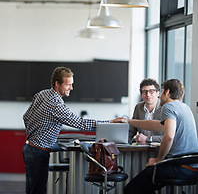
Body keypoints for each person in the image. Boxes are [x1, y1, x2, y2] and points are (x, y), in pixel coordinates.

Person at [22, 66, 125, 194]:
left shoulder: (42, 94)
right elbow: (81, 123)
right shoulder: (56, 104)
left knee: (32, 189)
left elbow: (26, 117)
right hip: (38, 152)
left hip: (30, 148)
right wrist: (110, 122)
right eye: (68, 84)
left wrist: (34, 134)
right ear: (57, 84)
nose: (71, 88)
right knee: (38, 190)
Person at [124, 79, 198, 194]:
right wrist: (130, 121)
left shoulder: (168, 107)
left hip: (179, 167)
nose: (159, 97)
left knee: (131, 189)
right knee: (145, 187)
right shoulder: (184, 107)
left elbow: (169, 136)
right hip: (192, 168)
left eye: (161, 92)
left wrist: (158, 159)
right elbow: (159, 125)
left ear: (167, 92)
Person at [129, 78, 163, 144]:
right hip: (142, 148)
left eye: (151, 91)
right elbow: (131, 131)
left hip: (159, 148)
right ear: (141, 95)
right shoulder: (138, 107)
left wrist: (148, 139)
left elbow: (169, 136)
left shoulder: (165, 108)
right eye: (145, 92)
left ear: (158, 93)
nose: (148, 95)